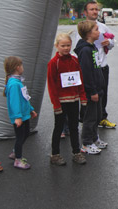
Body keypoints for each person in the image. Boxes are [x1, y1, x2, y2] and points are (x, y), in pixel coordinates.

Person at [47, 33, 87, 165]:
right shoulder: (54, 63)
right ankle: (55, 154)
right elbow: (52, 85)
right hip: (61, 102)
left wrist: (82, 97)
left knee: (74, 127)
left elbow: (79, 80)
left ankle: (76, 152)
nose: (66, 48)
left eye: (68, 45)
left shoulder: (74, 60)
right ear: (57, 46)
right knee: (58, 127)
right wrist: (56, 104)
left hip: (74, 100)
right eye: (63, 46)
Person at [77, 2, 116, 129]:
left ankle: (102, 118)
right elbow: (78, 48)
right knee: (91, 96)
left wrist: (108, 42)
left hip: (102, 66)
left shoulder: (103, 27)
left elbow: (112, 42)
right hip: (90, 67)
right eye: (91, 9)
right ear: (85, 12)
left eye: (96, 9)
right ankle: (87, 120)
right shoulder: (82, 28)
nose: (95, 11)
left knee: (103, 94)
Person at [74, 20, 107, 155]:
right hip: (91, 92)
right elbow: (86, 73)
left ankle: (94, 138)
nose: (99, 32)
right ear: (88, 33)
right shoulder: (86, 50)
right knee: (90, 118)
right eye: (96, 30)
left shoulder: (92, 47)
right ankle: (86, 143)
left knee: (97, 116)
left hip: (97, 90)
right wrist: (92, 91)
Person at [4, 56, 38, 169]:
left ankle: (15, 152)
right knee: (20, 137)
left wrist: (31, 109)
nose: (23, 67)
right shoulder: (14, 84)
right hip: (19, 117)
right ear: (17, 67)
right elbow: (15, 102)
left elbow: (24, 98)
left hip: (24, 115)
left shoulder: (17, 81)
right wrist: (17, 117)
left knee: (26, 133)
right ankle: (18, 159)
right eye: (21, 65)